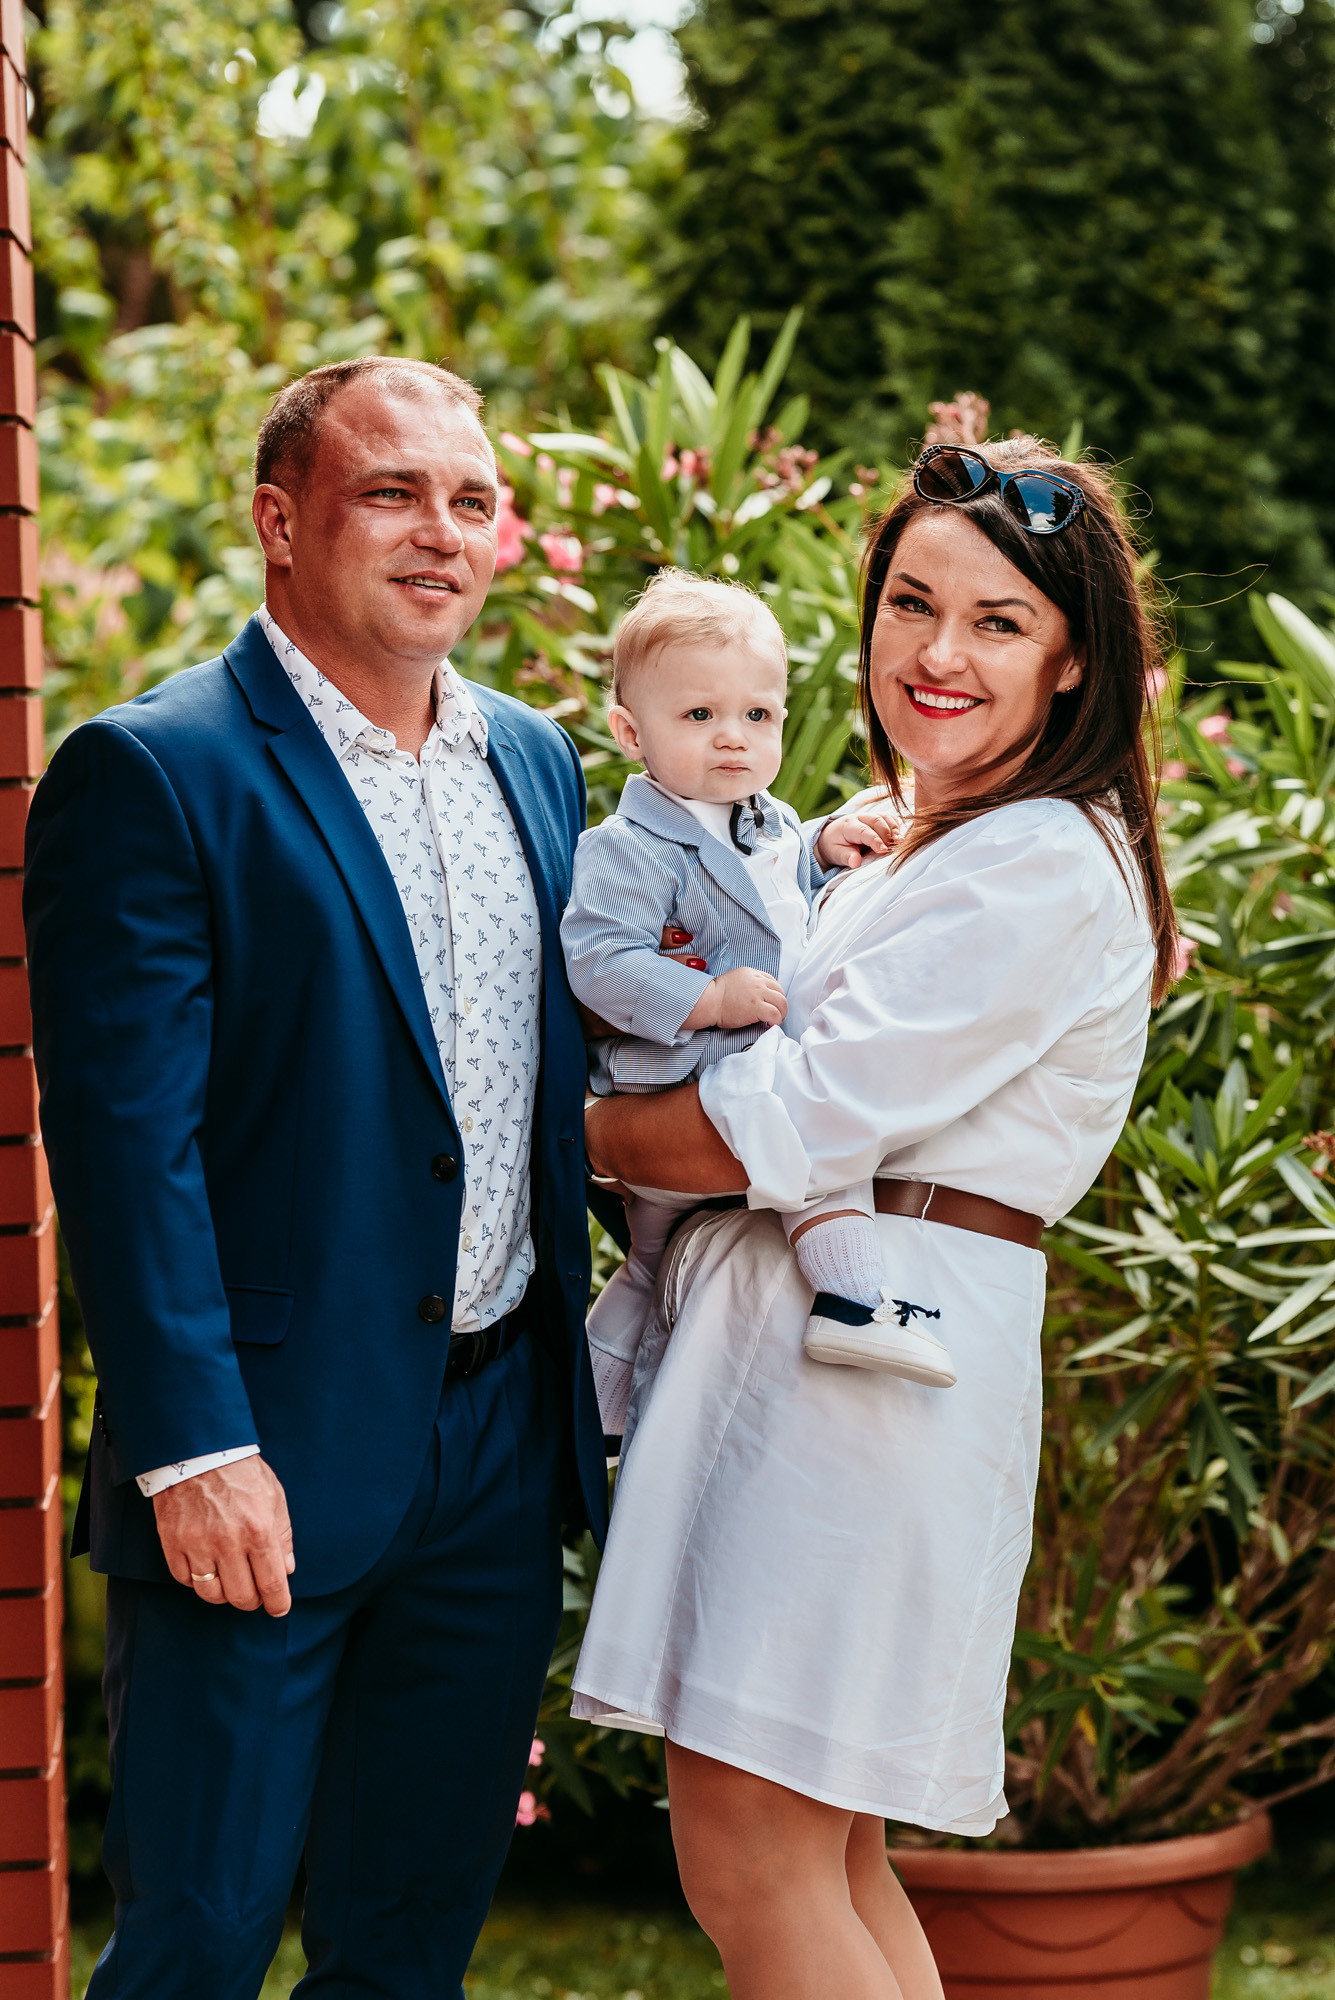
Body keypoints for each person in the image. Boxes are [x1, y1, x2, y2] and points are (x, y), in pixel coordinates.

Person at [24, 356, 606, 2000]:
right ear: (280, 524)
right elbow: (125, 1148)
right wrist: (194, 1449)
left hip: (495, 1452)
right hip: (258, 1453)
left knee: (407, 1946)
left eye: (472, 500)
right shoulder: (155, 771)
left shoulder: (535, 762)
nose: (443, 532)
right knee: (198, 1943)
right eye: (392, 493)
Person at [570, 436, 1179, 2000]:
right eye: (911, 603)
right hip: (820, 1346)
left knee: (750, 1857)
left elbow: (795, 1110)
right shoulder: (919, 841)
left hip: (863, 1360)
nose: (935, 652)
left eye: (995, 621)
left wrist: (569, 1136)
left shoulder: (1037, 858)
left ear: (1068, 663)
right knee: (821, 1856)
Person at [561, 568, 954, 1437]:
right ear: (630, 731)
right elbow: (597, 961)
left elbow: (765, 894)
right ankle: (852, 1300)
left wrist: (820, 844)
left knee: (650, 1269)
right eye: (699, 715)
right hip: (677, 1077)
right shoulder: (627, 849)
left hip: (725, 1067)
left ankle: (598, 1411)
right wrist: (706, 998)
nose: (732, 738)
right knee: (810, 1152)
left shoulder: (765, 820)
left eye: (758, 715)